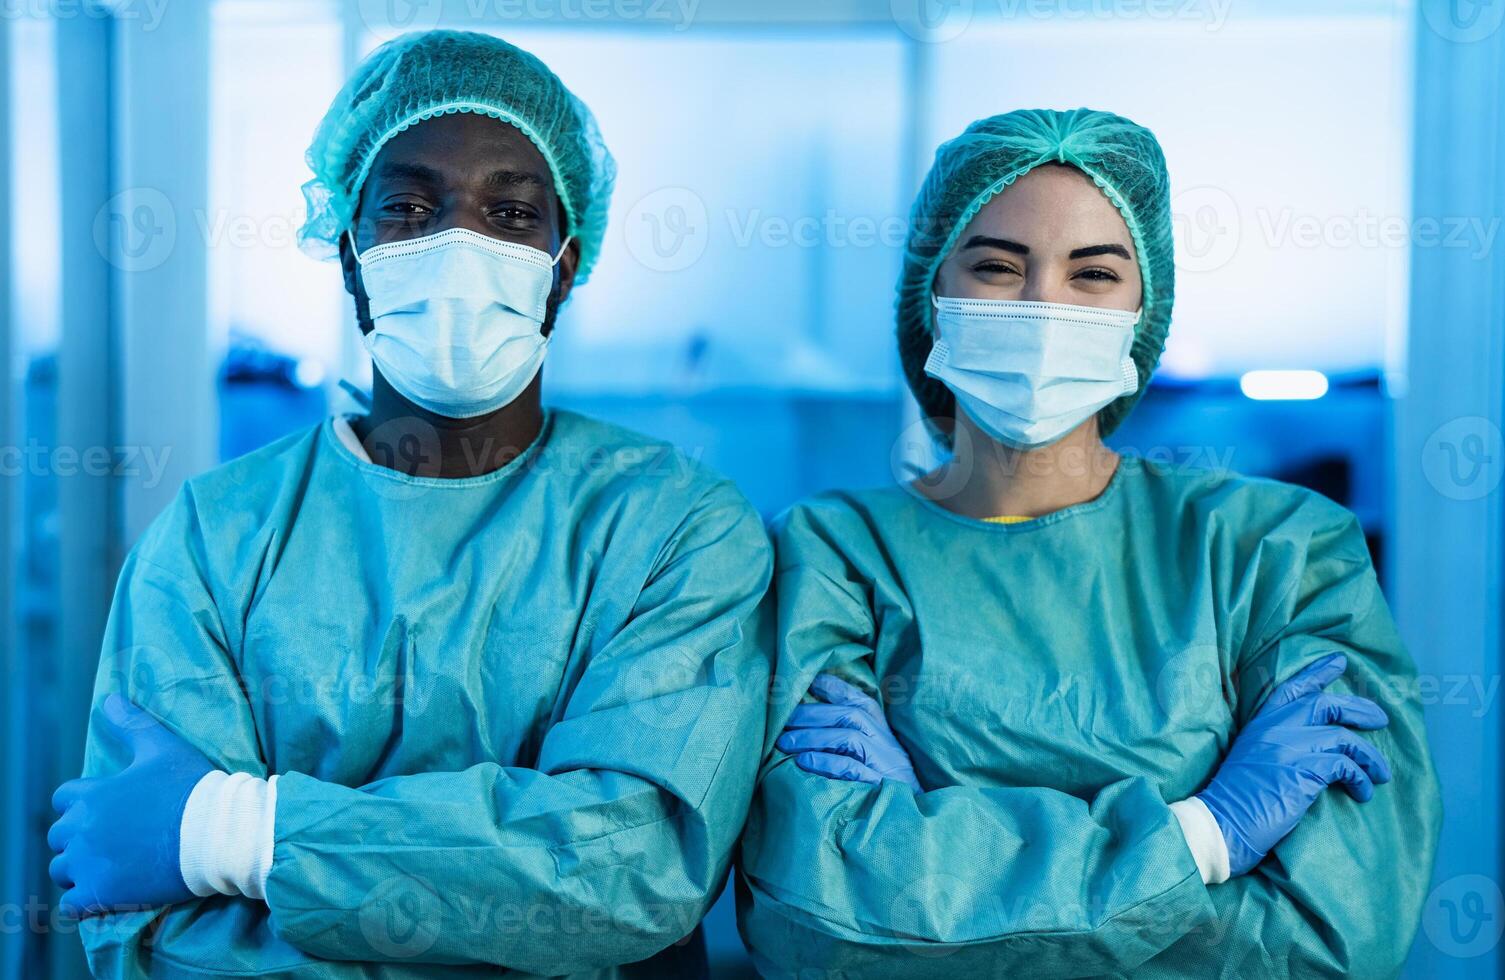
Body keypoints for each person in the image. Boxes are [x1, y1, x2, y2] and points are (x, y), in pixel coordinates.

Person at [46, 30, 772, 978]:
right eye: (408, 208)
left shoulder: (674, 525)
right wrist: (505, 911)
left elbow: (630, 866)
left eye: (511, 214)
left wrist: (233, 836)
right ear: (350, 256)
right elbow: (150, 932)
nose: (457, 245)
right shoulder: (217, 535)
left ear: (563, 261)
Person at [736, 108, 1440, 977]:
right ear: (930, 297)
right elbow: (816, 920)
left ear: (1144, 311)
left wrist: (925, 851)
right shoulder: (833, 554)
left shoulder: (1277, 553)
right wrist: (1210, 834)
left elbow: (1333, 936)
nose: (1042, 306)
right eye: (996, 266)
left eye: (1093, 274)